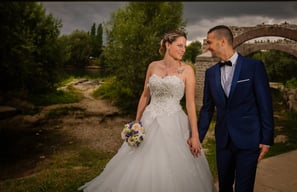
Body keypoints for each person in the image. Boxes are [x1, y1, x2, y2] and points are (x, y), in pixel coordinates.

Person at [78, 29, 215, 192]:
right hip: (149, 120)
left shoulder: (187, 71)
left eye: (184, 46)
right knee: (137, 163)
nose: (183, 49)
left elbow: (191, 104)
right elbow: (145, 96)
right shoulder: (152, 66)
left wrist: (195, 135)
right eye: (179, 45)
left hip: (174, 123)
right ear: (167, 44)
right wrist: (137, 122)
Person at [197, 25, 274, 192]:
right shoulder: (210, 73)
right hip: (223, 141)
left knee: (243, 188)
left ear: (222, 41)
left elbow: (265, 104)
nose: (207, 46)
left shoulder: (254, 67)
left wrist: (267, 138)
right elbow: (207, 108)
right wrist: (197, 137)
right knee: (224, 186)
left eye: (210, 42)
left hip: (249, 139)